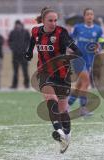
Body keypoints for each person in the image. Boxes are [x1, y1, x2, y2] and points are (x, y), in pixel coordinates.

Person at [24, 7, 82, 153]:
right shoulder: (36, 31)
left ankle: (67, 135)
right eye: (50, 20)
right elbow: (32, 41)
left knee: (63, 110)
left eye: (55, 20)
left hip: (62, 74)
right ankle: (58, 131)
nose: (53, 23)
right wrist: (29, 52)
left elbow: (76, 49)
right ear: (43, 20)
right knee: (50, 97)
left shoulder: (61, 33)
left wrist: (72, 53)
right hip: (44, 73)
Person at [68, 8, 104, 116]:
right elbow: (70, 39)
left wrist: (99, 48)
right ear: (84, 16)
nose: (90, 16)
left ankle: (67, 105)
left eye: (91, 14)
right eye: (87, 14)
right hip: (77, 58)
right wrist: (70, 48)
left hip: (89, 60)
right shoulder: (78, 28)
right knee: (86, 82)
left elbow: (101, 42)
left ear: (93, 16)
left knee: (80, 85)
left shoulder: (98, 29)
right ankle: (83, 108)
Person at [8, 20, 30, 89]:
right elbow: (9, 41)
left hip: (23, 54)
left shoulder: (25, 32)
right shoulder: (12, 32)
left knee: (25, 70)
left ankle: (26, 84)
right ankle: (14, 85)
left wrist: (25, 47)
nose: (18, 26)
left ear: (21, 25)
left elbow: (29, 40)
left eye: (19, 24)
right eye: (16, 24)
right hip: (15, 54)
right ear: (15, 25)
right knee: (15, 71)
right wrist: (12, 48)